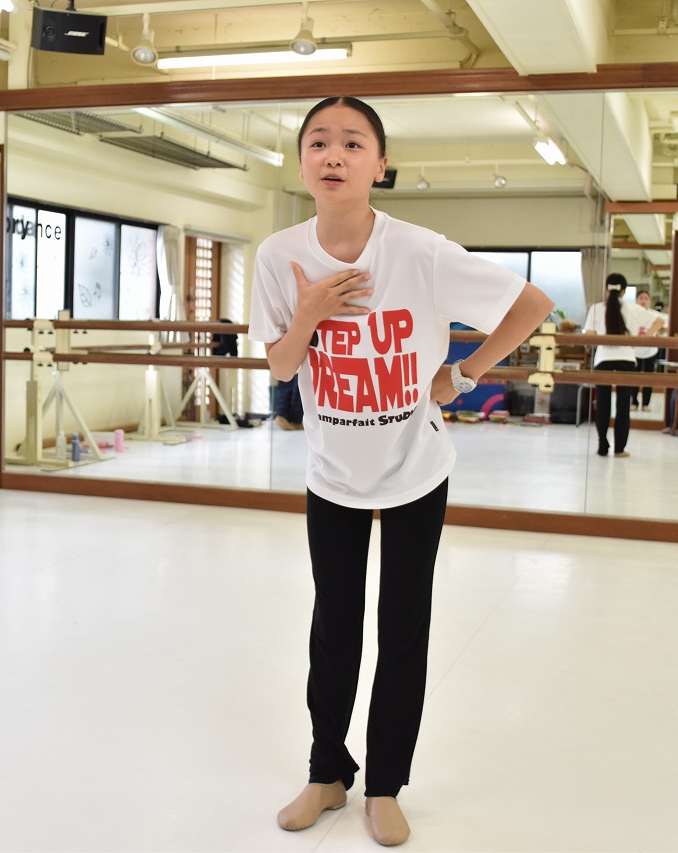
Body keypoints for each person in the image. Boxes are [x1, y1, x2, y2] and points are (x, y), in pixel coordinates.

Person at [248, 96, 554, 848]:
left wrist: (464, 373)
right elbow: (281, 367)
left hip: (417, 467)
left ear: (380, 165)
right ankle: (327, 773)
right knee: (334, 627)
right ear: (300, 162)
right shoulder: (279, 256)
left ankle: (384, 784)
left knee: (403, 626)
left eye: (354, 143)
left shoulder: (419, 251)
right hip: (333, 471)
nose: (334, 155)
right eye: (319, 142)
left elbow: (530, 304)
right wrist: (310, 311)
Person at [581, 273, 663, 457]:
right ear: (624, 291)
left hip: (603, 359)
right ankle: (619, 449)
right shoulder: (633, 308)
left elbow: (590, 335)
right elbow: (659, 320)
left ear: (606, 289)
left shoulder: (596, 308)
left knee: (603, 404)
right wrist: (643, 339)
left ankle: (602, 446)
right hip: (626, 359)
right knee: (623, 406)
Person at [632, 289, 667, 411]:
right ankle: (634, 402)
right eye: (641, 298)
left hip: (650, 351)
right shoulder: (632, 313)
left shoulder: (655, 315)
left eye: (646, 298)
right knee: (634, 378)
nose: (643, 301)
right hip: (634, 351)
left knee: (649, 378)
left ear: (650, 301)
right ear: (636, 300)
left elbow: (664, 327)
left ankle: (646, 403)